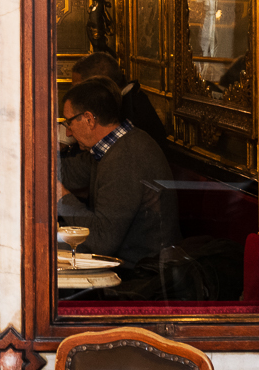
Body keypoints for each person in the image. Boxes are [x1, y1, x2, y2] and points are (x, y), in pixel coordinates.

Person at [57, 77, 175, 286]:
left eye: (69, 122)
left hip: (139, 277)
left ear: (89, 119)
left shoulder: (127, 156)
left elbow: (102, 241)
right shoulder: (110, 146)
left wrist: (61, 197)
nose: (67, 132)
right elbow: (69, 172)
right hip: (123, 263)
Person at [70, 50, 174, 150]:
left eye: (79, 89)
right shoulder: (128, 100)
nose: (76, 96)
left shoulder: (132, 113)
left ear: (101, 87)